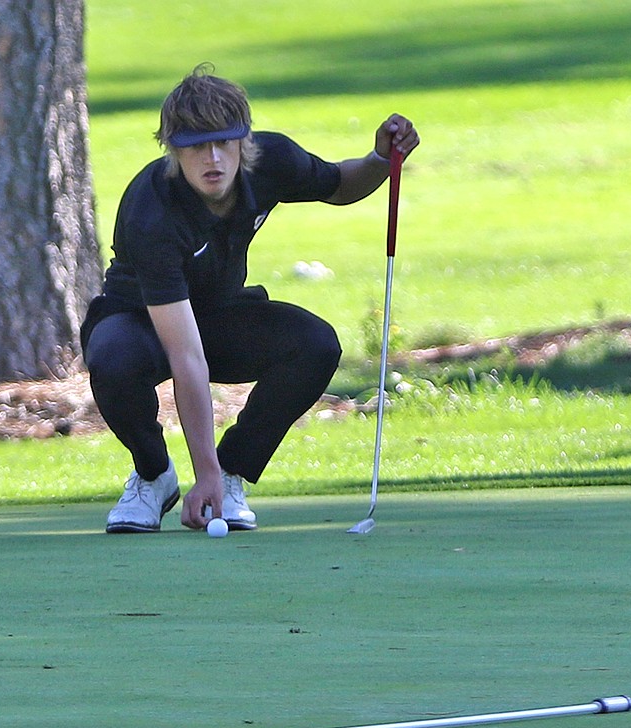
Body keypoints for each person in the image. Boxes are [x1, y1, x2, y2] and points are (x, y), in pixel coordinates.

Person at [80, 64, 420, 534]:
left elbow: (340, 184)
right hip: (142, 322)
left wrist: (381, 159)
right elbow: (186, 357)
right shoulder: (151, 210)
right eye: (196, 146)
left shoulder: (271, 161)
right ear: (172, 150)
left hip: (221, 312)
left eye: (224, 141)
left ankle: (233, 473)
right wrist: (202, 473)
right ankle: (153, 476)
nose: (213, 158)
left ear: (244, 141)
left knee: (315, 344)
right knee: (114, 357)